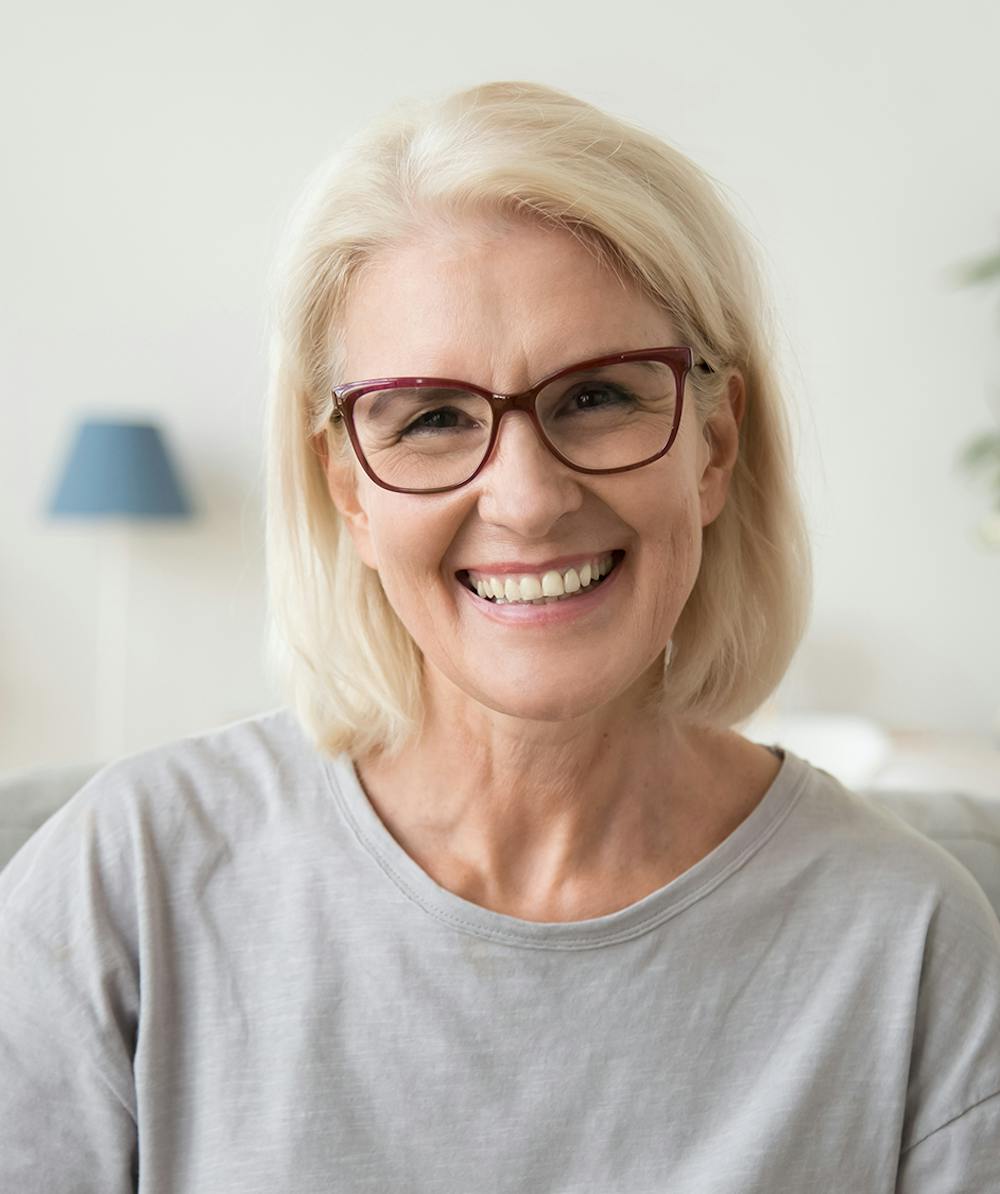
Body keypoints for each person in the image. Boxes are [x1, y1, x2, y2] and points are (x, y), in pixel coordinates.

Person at [2, 81, 998, 1192]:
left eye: (599, 398)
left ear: (713, 446)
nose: (525, 499)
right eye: (430, 417)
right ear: (347, 488)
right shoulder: (124, 884)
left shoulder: (912, 945)